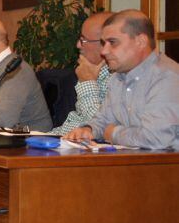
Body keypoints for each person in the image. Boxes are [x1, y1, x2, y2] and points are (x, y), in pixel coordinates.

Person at [65, 10, 179, 149]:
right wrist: (88, 130)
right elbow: (102, 120)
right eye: (103, 43)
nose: (104, 51)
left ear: (140, 41)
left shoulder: (167, 78)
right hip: (134, 163)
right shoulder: (118, 77)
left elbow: (154, 138)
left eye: (112, 42)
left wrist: (112, 133)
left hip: (167, 167)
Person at [50, 12, 113, 135]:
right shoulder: (90, 69)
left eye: (83, 40)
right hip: (62, 139)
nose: (78, 45)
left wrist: (88, 82)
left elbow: (103, 128)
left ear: (104, 44)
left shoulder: (120, 77)